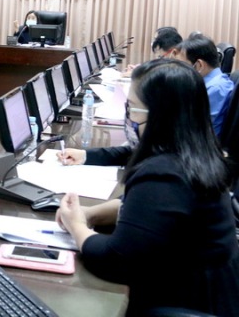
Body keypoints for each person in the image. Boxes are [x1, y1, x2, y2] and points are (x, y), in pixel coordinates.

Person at [56, 59, 239, 316]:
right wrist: (90, 214)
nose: (129, 116)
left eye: (132, 107)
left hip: (184, 303)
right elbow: (147, 210)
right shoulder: (192, 152)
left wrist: (76, 226)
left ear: (159, 115)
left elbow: (115, 261)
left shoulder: (166, 172)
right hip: (210, 293)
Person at [174, 33, 234, 135]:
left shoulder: (215, 89)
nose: (178, 71)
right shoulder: (207, 83)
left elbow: (195, 129)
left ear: (199, 65)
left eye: (181, 66)